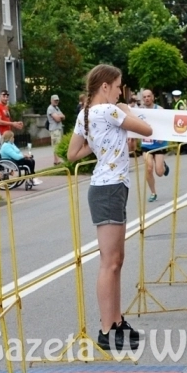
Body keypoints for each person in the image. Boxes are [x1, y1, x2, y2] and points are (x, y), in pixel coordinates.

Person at [67, 64, 152, 352]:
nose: (120, 92)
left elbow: (73, 152)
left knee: (116, 259)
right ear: (105, 87)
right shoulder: (111, 111)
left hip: (108, 185)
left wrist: (100, 141)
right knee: (110, 262)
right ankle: (106, 329)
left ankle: (116, 322)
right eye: (118, 86)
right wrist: (127, 110)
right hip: (110, 187)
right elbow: (147, 129)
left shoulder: (86, 114)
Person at [138, 89, 170, 202]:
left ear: (153, 97)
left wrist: (163, 136)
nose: (147, 98)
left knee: (159, 172)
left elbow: (167, 125)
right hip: (146, 144)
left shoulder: (159, 110)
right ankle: (153, 192)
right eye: (145, 97)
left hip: (159, 143)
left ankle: (164, 166)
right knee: (149, 168)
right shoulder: (139, 111)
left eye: (149, 96)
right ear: (142, 99)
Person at [46, 94, 66, 166]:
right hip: (54, 129)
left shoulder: (57, 108)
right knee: (56, 145)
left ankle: (56, 160)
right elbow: (57, 119)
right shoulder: (50, 108)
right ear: (51, 100)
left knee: (58, 144)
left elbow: (64, 116)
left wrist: (60, 116)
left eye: (57, 100)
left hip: (59, 128)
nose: (56, 101)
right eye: (55, 100)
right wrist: (60, 116)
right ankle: (57, 160)